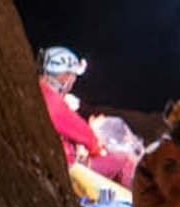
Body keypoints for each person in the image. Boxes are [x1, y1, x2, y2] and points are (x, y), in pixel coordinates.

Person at [39, 46, 132, 184]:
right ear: (64, 76)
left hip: (54, 158)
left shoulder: (40, 90)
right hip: (67, 167)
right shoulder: (53, 101)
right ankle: (125, 202)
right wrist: (96, 149)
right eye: (73, 75)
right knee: (123, 161)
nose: (74, 80)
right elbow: (89, 139)